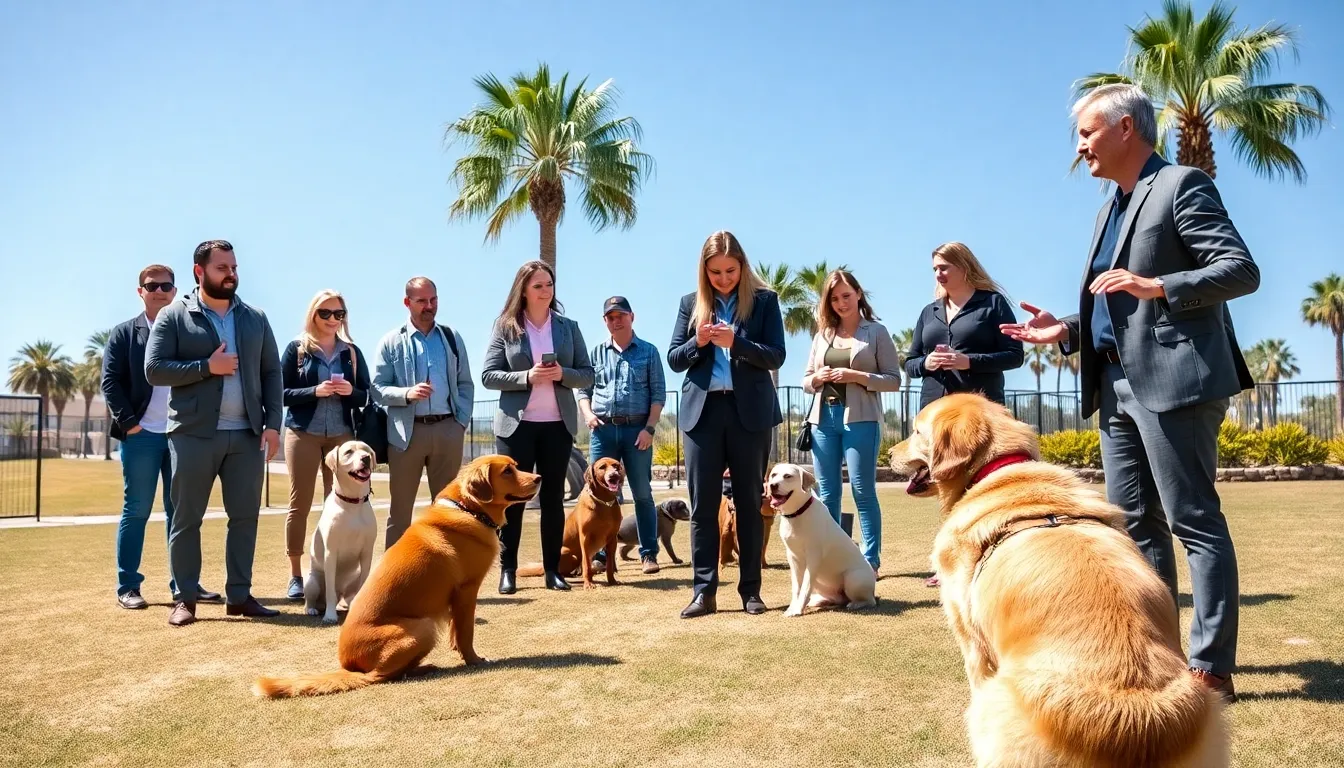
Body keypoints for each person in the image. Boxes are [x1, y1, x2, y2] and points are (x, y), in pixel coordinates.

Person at [1001, 84, 1258, 702]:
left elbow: (1239, 270)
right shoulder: (1107, 207)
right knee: (1134, 528)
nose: (1081, 146)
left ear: (1124, 128)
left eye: (1088, 132)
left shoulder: (1181, 185)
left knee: (1193, 520)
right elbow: (1114, 300)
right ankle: (1159, 657)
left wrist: (1158, 284)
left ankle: (1212, 668)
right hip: (1113, 386)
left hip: (1173, 383)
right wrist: (1064, 328)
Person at [145, 240, 283, 627]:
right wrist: (207, 366)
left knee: (245, 518)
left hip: (246, 436)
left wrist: (273, 424)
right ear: (199, 272)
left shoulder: (255, 317)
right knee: (186, 519)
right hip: (192, 434)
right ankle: (185, 599)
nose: (231, 274)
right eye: (222, 267)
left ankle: (239, 596)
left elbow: (272, 373)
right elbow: (154, 369)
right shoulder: (175, 315)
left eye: (234, 267)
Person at [668, 230, 785, 619]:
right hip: (702, 414)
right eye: (715, 272)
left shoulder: (765, 302)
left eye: (730, 271)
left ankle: (751, 590)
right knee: (702, 506)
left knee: (750, 503)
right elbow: (674, 358)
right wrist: (698, 342)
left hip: (749, 411)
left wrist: (736, 342)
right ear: (704, 271)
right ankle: (703, 592)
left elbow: (776, 356)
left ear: (742, 266)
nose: (723, 279)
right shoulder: (690, 304)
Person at [103, 264, 220, 609]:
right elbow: (111, 382)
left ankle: (184, 585)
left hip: (181, 434)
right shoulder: (125, 333)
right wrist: (130, 424)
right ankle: (128, 586)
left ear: (175, 290)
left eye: (166, 285)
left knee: (181, 513)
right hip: (141, 436)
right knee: (136, 510)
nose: (159, 290)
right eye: (151, 285)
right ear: (140, 291)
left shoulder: (187, 330)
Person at [483, 261, 594, 594]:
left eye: (549, 285)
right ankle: (508, 571)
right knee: (512, 502)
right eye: (538, 286)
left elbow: (587, 373)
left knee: (552, 501)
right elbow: (489, 376)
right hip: (516, 429)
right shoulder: (505, 327)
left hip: (557, 426)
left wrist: (563, 374)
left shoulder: (568, 327)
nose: (546, 291)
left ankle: (551, 572)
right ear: (523, 290)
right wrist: (525, 377)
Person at [800, 269, 902, 575]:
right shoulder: (822, 335)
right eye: (834, 298)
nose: (841, 303)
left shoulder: (877, 332)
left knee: (862, 490)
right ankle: (833, 557)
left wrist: (856, 376)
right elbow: (806, 380)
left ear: (858, 294)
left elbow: (894, 380)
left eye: (846, 295)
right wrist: (817, 378)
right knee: (827, 493)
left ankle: (870, 559)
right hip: (822, 420)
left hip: (861, 419)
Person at [279, 290, 372, 599]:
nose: (333, 319)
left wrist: (350, 391)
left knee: (342, 505)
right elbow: (280, 394)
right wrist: (314, 391)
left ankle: (340, 578)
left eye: (339, 314)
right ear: (313, 314)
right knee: (300, 503)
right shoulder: (297, 349)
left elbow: (366, 395)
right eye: (326, 313)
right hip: (303, 433)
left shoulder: (352, 352)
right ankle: (296, 575)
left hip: (343, 436)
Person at [371, 277, 473, 550]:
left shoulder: (451, 338)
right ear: (407, 303)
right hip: (406, 435)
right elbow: (377, 389)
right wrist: (406, 394)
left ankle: (446, 579)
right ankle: (394, 582)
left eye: (434, 299)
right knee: (400, 513)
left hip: (447, 430)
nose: (429, 306)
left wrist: (459, 423)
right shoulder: (391, 341)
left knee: (449, 510)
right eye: (422, 301)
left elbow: (466, 384)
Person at [577, 296, 667, 574]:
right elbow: (583, 390)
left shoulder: (649, 352)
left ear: (632, 317)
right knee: (601, 495)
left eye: (621, 316)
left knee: (641, 492)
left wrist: (649, 429)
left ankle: (648, 554)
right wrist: (588, 415)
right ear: (605, 321)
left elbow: (658, 394)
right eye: (610, 317)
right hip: (602, 430)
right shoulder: (595, 353)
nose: (616, 321)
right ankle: (602, 555)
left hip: (637, 430)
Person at [904, 242, 1025, 411]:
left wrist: (968, 361)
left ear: (963, 267)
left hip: (980, 409)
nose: (938, 275)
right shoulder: (928, 312)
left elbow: (1015, 356)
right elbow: (910, 364)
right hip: (934, 412)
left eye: (943, 268)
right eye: (935, 270)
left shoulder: (993, 303)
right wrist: (926, 362)